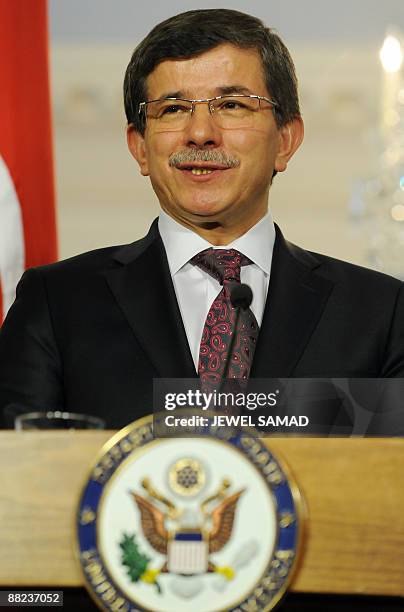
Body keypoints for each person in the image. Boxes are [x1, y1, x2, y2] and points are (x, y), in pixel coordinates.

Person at [0, 8, 403, 428]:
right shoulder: (58, 303)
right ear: (139, 147)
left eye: (231, 104)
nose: (200, 133)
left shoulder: (380, 313)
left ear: (286, 140)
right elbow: (17, 478)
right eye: (173, 109)